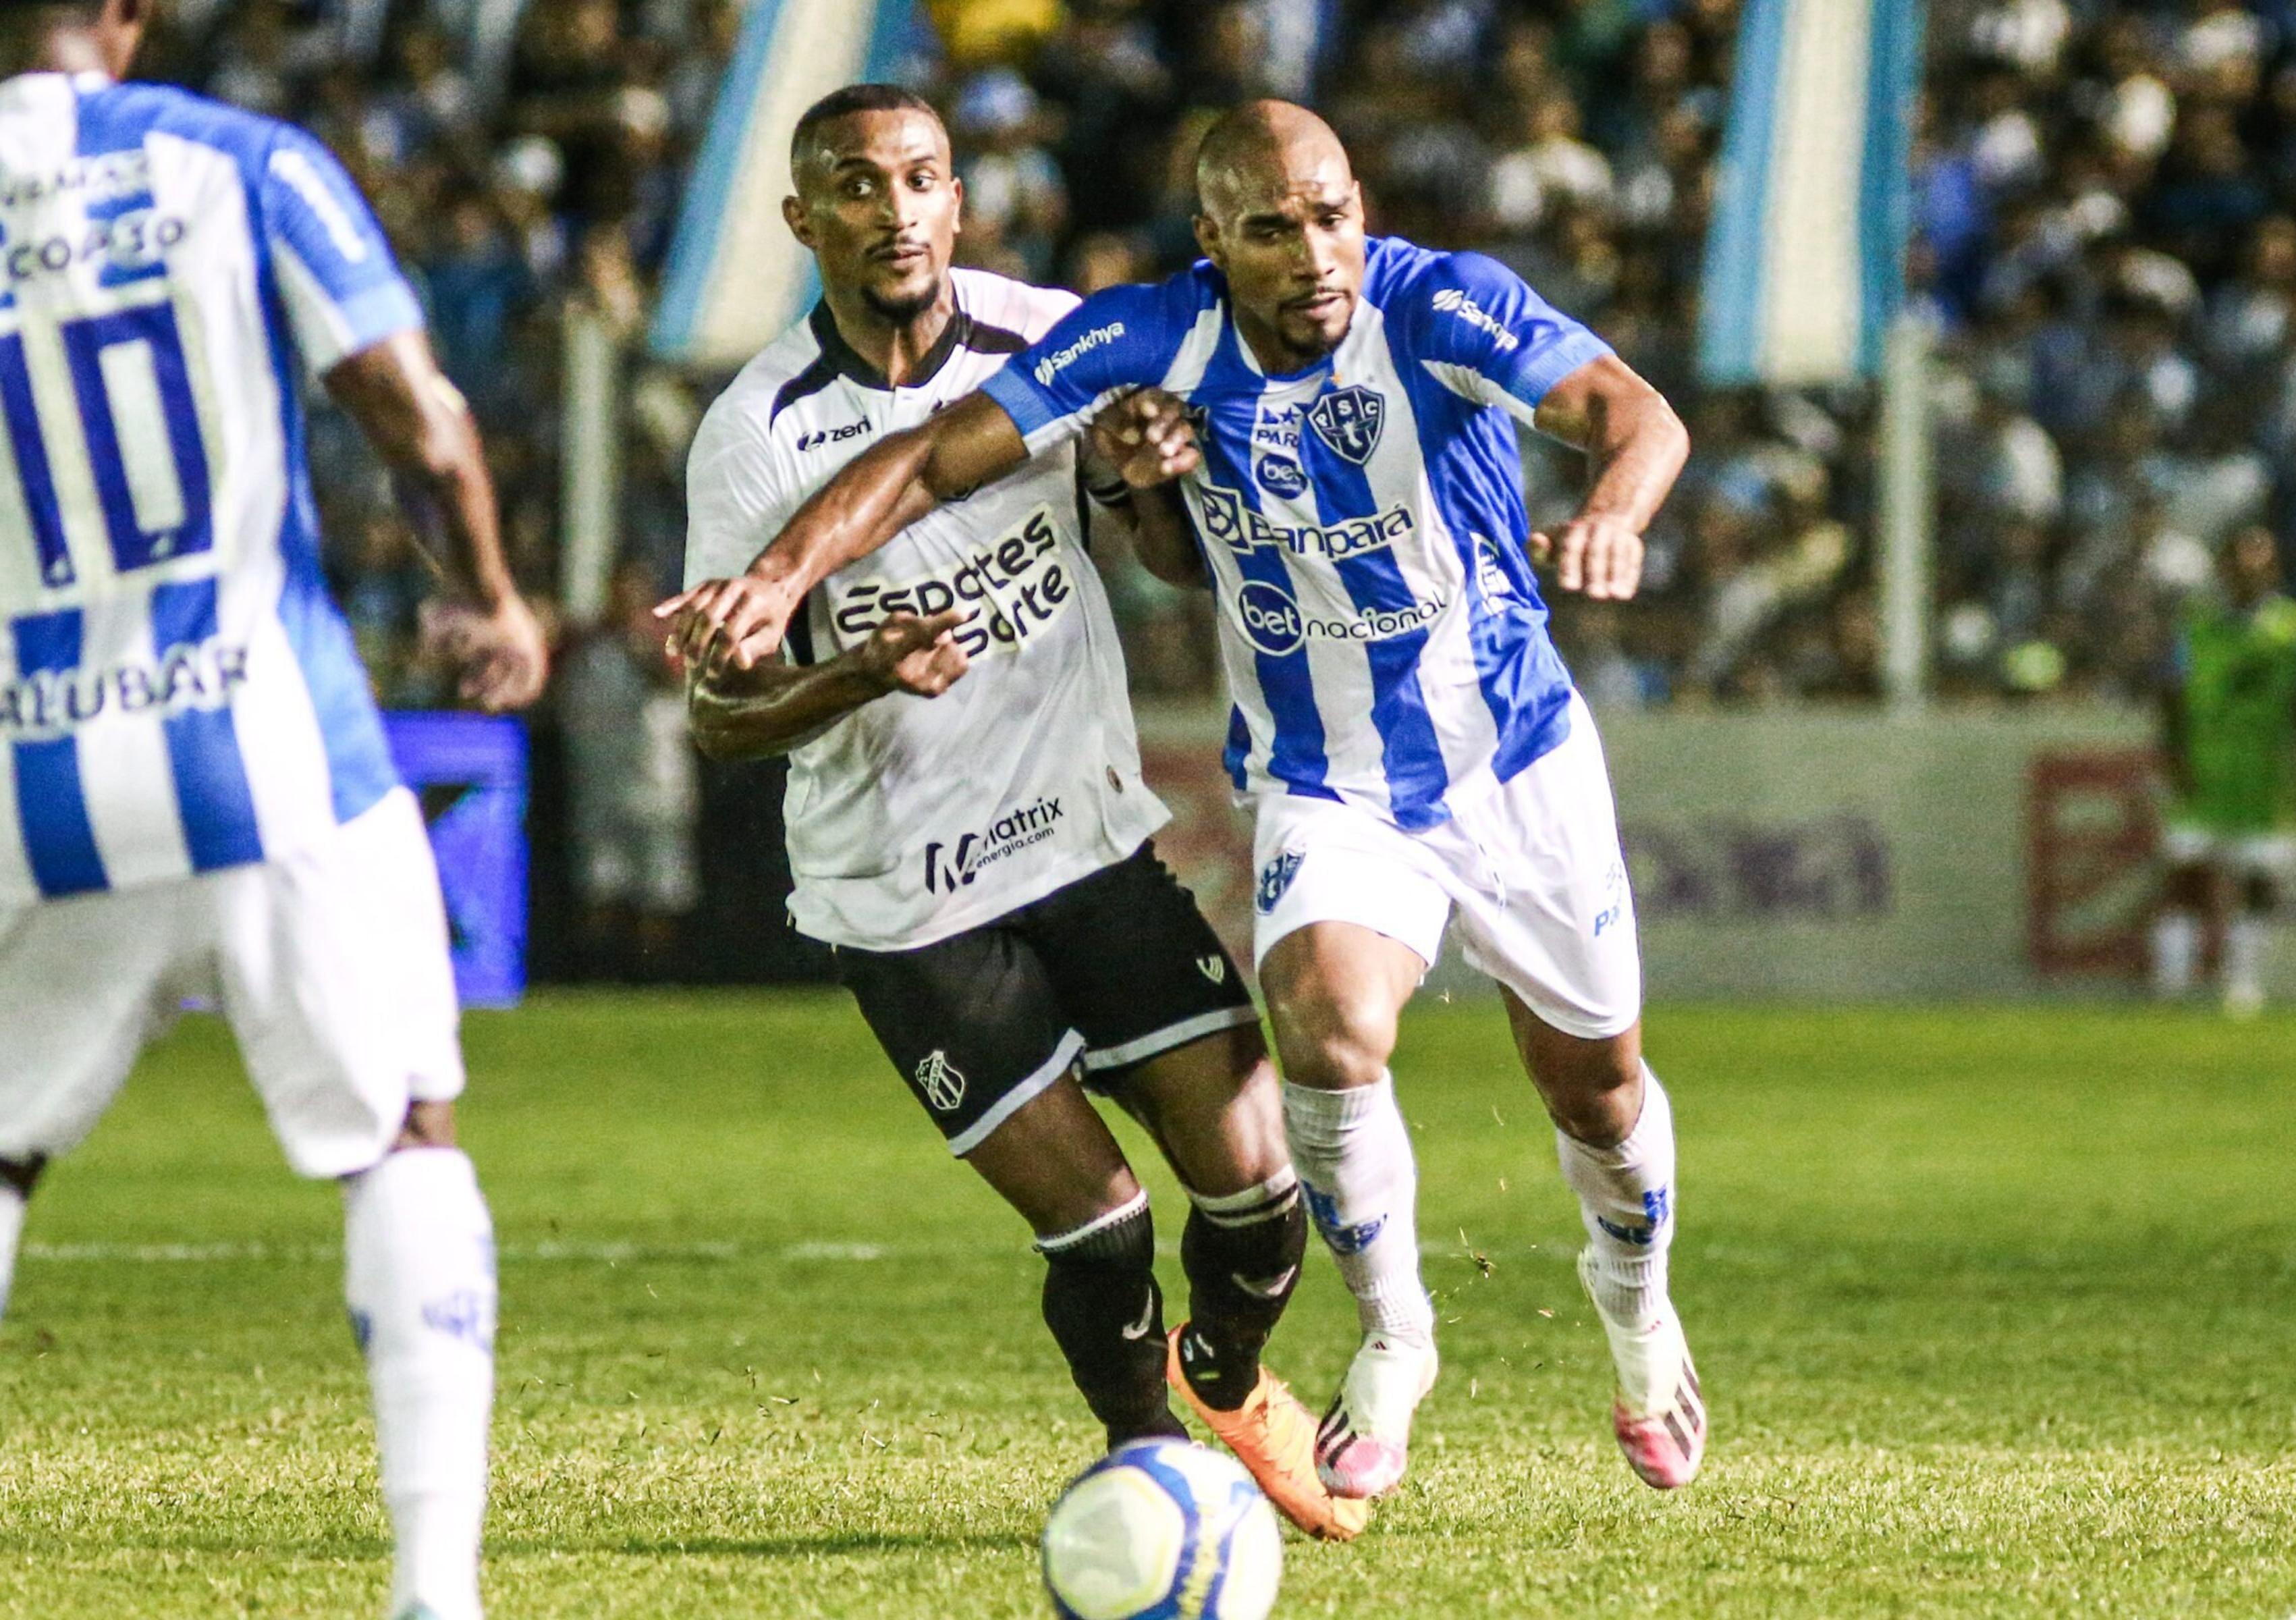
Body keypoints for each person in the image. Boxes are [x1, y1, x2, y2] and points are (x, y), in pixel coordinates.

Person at [663, 99, 1705, 1498]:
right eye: (1271, 229)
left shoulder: (1442, 304)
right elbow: (922, 467)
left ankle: (1640, 1325)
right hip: (1305, 783)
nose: (1315, 251)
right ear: (1213, 242)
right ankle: (1391, 1341)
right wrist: (787, 591)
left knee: (1594, 1088)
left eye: (1333, 212)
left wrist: (1614, 514)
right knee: (1325, 1038)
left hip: (1512, 759)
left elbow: (1631, 416)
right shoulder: (1136, 338)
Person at [674, 85, 1361, 1541]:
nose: (896, 209)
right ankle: (1157, 1473)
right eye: (857, 187)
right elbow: (720, 717)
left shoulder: (1046, 338)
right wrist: (856, 670)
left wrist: (1135, 479)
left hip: (1089, 847)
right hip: (906, 903)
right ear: (804, 222)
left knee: (1260, 1192)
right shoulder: (757, 435)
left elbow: (1165, 559)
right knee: (1102, 1228)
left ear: (959, 200)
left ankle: (1229, 1380)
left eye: (921, 178)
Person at [0, 3, 551, 1618]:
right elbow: (415, 413)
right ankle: (431, 1590)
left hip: (35, 769)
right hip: (271, 746)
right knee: (398, 1137)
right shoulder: (240, 162)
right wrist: (496, 597)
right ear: (131, 14)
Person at [2149, 526, 2296, 1017]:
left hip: (2266, 773)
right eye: (2238, 564)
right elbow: (2171, 696)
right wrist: (2173, 758)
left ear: (2273, 571)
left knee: (2260, 879)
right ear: (2222, 569)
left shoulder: (2294, 630)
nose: (2246, 574)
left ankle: (2243, 980)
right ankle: (2173, 982)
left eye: (2258, 564)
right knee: (2185, 875)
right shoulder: (2196, 626)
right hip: (2204, 768)